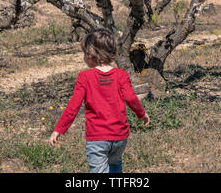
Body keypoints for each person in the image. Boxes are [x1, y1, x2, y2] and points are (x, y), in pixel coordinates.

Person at [49, 28, 150, 173]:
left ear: (91, 53)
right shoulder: (121, 75)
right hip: (120, 137)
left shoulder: (85, 77)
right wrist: (142, 114)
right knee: (115, 167)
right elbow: (131, 98)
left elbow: (73, 107)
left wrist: (59, 129)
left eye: (84, 53)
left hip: (97, 138)